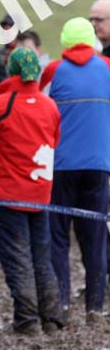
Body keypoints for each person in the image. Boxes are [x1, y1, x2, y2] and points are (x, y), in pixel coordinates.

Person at [0, 47, 64, 335]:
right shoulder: (49, 106)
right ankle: (52, 318)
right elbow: (54, 140)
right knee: (41, 257)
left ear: (12, 71)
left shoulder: (2, 104)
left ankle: (27, 319)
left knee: (17, 257)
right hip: (41, 193)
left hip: (9, 195)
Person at [40, 18, 110, 326]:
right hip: (99, 165)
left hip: (61, 165)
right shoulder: (107, 67)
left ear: (66, 41)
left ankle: (63, 304)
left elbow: (39, 111)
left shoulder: (53, 70)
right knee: (94, 236)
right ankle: (95, 308)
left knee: (58, 236)